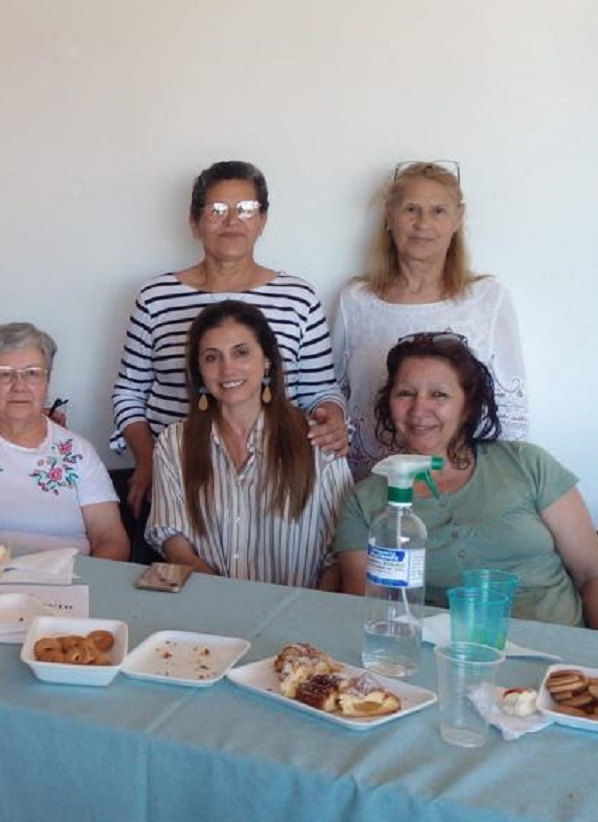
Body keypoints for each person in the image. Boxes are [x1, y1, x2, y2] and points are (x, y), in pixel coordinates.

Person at [110, 160, 347, 533]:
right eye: (217, 210)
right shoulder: (156, 297)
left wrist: (332, 416)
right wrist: (150, 460)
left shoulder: (297, 298)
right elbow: (129, 392)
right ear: (194, 222)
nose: (232, 221)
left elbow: (320, 390)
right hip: (177, 476)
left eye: (246, 209)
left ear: (262, 220)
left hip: (274, 481)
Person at [336, 334, 598, 627]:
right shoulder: (364, 502)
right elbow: (365, 610)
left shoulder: (527, 464)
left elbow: (592, 573)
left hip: (559, 649)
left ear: (468, 406)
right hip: (444, 651)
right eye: (406, 393)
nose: (419, 409)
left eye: (439, 395)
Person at [332, 160, 528, 480]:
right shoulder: (355, 300)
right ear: (389, 216)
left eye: (438, 211)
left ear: (457, 218)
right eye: (411, 209)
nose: (423, 223)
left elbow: (510, 411)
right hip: (370, 481)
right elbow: (333, 394)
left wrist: (504, 484)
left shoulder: (487, 299)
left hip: (462, 483)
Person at [145, 302, 353, 588]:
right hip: (205, 607)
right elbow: (174, 544)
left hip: (299, 612)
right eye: (212, 357)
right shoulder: (173, 443)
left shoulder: (318, 440)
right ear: (199, 370)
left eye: (241, 352)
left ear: (267, 360)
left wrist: (309, 612)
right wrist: (230, 605)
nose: (227, 369)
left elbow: (340, 554)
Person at [0, 322, 128, 558]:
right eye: (5, 374)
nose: (19, 386)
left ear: (47, 381)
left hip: (65, 578)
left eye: (32, 373)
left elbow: (110, 539)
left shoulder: (78, 452)